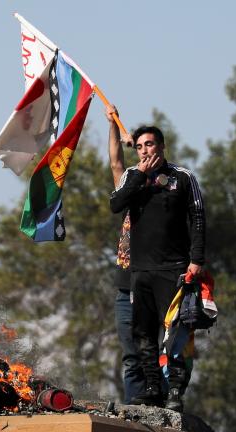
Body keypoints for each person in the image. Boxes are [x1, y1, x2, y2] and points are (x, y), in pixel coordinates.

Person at [106, 106, 206, 412]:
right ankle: (151, 388)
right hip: (140, 271)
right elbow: (115, 204)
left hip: (175, 268)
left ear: (161, 146)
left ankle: (175, 390)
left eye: (149, 144)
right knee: (143, 335)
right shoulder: (133, 178)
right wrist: (140, 175)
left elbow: (199, 218)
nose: (144, 150)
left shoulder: (182, 177)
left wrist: (197, 259)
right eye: (139, 146)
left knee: (176, 333)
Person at [105, 106, 143, 404]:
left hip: (156, 278)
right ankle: (135, 409)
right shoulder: (129, 183)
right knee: (130, 353)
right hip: (126, 283)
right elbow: (116, 162)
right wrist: (113, 126)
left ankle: (159, 404)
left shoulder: (165, 184)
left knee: (155, 351)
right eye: (140, 146)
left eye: (148, 146)